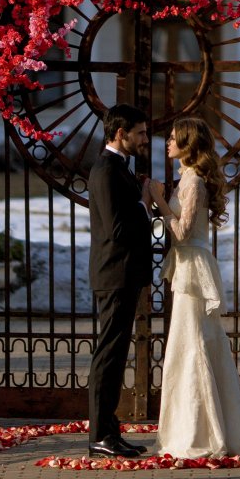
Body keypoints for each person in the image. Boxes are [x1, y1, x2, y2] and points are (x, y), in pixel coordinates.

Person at [147, 117, 240, 459]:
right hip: (186, 264)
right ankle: (192, 426)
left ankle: (204, 432)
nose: (167, 142)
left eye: (173, 138)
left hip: (193, 267)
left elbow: (181, 233)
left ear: (188, 144)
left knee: (194, 345)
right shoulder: (186, 177)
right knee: (188, 344)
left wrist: (159, 200)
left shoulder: (194, 181)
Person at [87, 102, 154, 458]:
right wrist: (144, 203)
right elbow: (116, 229)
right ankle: (99, 434)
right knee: (108, 355)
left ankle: (109, 431)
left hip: (123, 275)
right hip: (114, 274)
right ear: (120, 134)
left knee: (115, 354)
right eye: (140, 133)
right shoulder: (107, 170)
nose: (145, 138)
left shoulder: (119, 167)